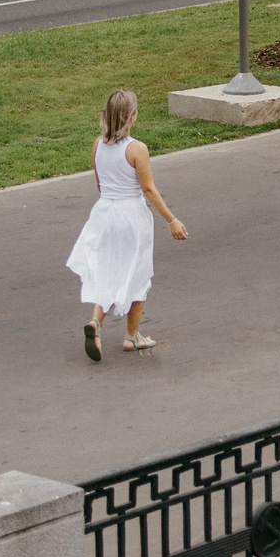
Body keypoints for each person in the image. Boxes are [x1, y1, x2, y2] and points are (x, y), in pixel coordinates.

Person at [66, 88, 186, 361]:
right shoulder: (137, 149)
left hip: (104, 212)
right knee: (138, 272)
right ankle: (132, 336)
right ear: (131, 117)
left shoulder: (98, 145)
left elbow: (100, 183)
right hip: (131, 216)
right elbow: (148, 189)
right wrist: (172, 220)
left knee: (106, 270)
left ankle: (96, 322)